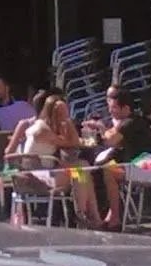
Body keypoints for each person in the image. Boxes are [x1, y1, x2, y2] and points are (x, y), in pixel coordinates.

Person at [18, 93, 100, 225]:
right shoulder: (42, 130)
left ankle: (90, 216)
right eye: (62, 112)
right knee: (81, 170)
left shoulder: (45, 127)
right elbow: (73, 142)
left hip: (44, 172)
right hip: (37, 178)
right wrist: (68, 121)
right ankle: (83, 214)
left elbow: (69, 142)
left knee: (82, 168)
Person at [96, 91, 151, 228]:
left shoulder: (130, 123)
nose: (110, 111)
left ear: (126, 108)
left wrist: (99, 128)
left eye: (114, 107)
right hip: (144, 166)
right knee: (105, 167)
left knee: (109, 171)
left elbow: (110, 141)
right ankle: (108, 214)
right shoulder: (130, 122)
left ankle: (114, 218)